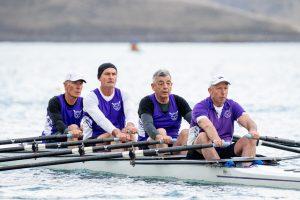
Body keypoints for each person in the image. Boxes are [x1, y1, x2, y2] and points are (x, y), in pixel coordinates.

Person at [187, 75, 259, 163]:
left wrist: (253, 130)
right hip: (198, 151)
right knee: (203, 136)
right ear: (210, 91)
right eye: (219, 88)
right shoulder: (200, 106)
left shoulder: (232, 105)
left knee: (250, 139)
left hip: (224, 148)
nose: (223, 92)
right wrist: (216, 138)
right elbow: (206, 125)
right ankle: (218, 168)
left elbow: (248, 121)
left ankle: (247, 169)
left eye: (225, 88)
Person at [138, 69, 192, 152]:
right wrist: (159, 136)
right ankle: (164, 158)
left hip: (173, 142)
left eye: (168, 83)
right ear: (153, 86)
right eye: (161, 83)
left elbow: (194, 121)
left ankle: (182, 161)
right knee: (161, 131)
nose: (165, 87)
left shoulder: (179, 101)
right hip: (150, 142)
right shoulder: (146, 102)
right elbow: (147, 124)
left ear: (171, 85)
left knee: (186, 132)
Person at [81, 63, 137, 143]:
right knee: (113, 137)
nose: (111, 77)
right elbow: (101, 120)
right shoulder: (90, 97)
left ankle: (132, 153)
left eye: (113, 74)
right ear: (99, 77)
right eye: (107, 74)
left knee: (131, 135)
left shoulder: (124, 94)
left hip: (118, 136)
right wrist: (116, 132)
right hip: (94, 138)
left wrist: (130, 125)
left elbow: (130, 112)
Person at [42, 73, 86, 141]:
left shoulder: (84, 102)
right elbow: (58, 123)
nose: (78, 87)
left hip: (74, 135)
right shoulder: (55, 102)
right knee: (73, 129)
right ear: (65, 86)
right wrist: (70, 130)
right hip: (52, 137)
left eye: (80, 83)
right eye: (75, 83)